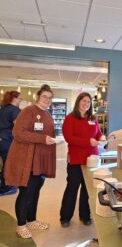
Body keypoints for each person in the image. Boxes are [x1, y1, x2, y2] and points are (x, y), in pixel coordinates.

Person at [4, 85, 56, 239]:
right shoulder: (28, 111)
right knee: (26, 192)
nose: (47, 99)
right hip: (28, 159)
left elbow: (47, 135)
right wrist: (42, 139)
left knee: (35, 191)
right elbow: (18, 132)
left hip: (41, 161)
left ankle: (31, 220)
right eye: (44, 96)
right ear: (38, 97)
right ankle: (21, 225)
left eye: (50, 97)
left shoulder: (47, 114)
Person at [60, 92, 103, 227]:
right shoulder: (70, 118)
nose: (86, 104)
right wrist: (88, 142)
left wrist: (101, 138)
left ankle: (85, 216)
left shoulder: (93, 118)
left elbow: (99, 133)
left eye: (88, 102)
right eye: (84, 101)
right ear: (78, 102)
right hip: (76, 159)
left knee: (87, 189)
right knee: (72, 187)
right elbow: (69, 138)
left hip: (92, 159)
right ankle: (65, 217)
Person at [0, 91, 21, 196]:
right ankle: (6, 188)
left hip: (2, 139)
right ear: (15, 98)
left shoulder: (3, 108)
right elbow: (17, 127)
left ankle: (3, 185)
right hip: (9, 140)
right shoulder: (15, 110)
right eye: (19, 98)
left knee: (3, 163)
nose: (20, 100)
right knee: (9, 164)